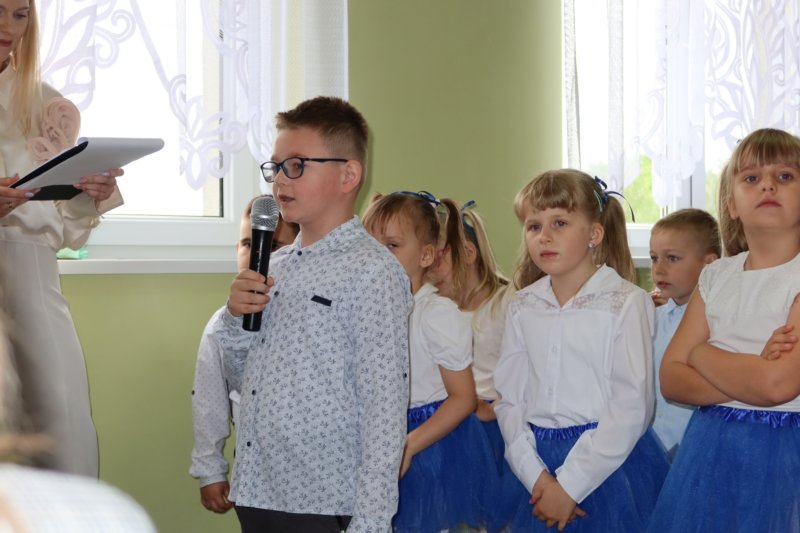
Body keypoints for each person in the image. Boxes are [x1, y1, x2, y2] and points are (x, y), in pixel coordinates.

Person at [211, 96, 412, 533]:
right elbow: (243, 379)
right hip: (259, 487)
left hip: (322, 499)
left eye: (297, 166)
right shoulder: (275, 266)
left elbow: (384, 406)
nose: (280, 179)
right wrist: (235, 319)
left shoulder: (372, 271)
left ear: (348, 175)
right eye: (276, 167)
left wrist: (371, 521)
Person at [494, 169, 669, 532]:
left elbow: (632, 406)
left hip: (605, 469)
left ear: (594, 234)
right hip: (536, 466)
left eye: (559, 223)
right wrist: (536, 477)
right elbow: (509, 399)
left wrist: (570, 487)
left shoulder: (626, 302)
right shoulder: (523, 305)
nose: (544, 236)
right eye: (534, 226)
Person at [648, 128, 800, 533]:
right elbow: (671, 379)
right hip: (711, 449)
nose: (768, 184)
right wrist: (752, 368)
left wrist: (700, 354)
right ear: (732, 204)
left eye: (785, 176)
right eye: (751, 177)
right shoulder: (716, 276)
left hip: (786, 455)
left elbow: (776, 385)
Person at [0, 0, 123, 477]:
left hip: (31, 280)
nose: (9, 26)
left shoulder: (48, 105)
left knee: (61, 425)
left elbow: (70, 228)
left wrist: (90, 193)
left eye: (20, 14)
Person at [362, 191, 496, 533]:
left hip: (429, 442)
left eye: (392, 245)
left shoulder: (435, 314)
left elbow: (463, 398)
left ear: (425, 255)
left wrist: (409, 445)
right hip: (381, 435)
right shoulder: (367, 310)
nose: (377, 257)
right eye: (370, 245)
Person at [189, 195, 299, 514]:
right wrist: (210, 471)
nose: (257, 255)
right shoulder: (222, 324)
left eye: (273, 246)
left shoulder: (308, 316)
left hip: (312, 464)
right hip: (254, 470)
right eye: (248, 244)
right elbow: (207, 399)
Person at [427, 200, 519, 531]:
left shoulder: (508, 302)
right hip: (453, 427)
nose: (430, 271)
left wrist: (496, 407)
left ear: (468, 253)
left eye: (437, 260)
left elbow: (527, 367)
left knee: (496, 518)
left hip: (497, 432)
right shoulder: (436, 311)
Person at [648, 208, 720, 459]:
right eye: (654, 258)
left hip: (695, 447)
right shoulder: (652, 317)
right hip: (649, 442)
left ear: (709, 264)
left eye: (672, 258)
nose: (659, 269)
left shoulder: (717, 322)